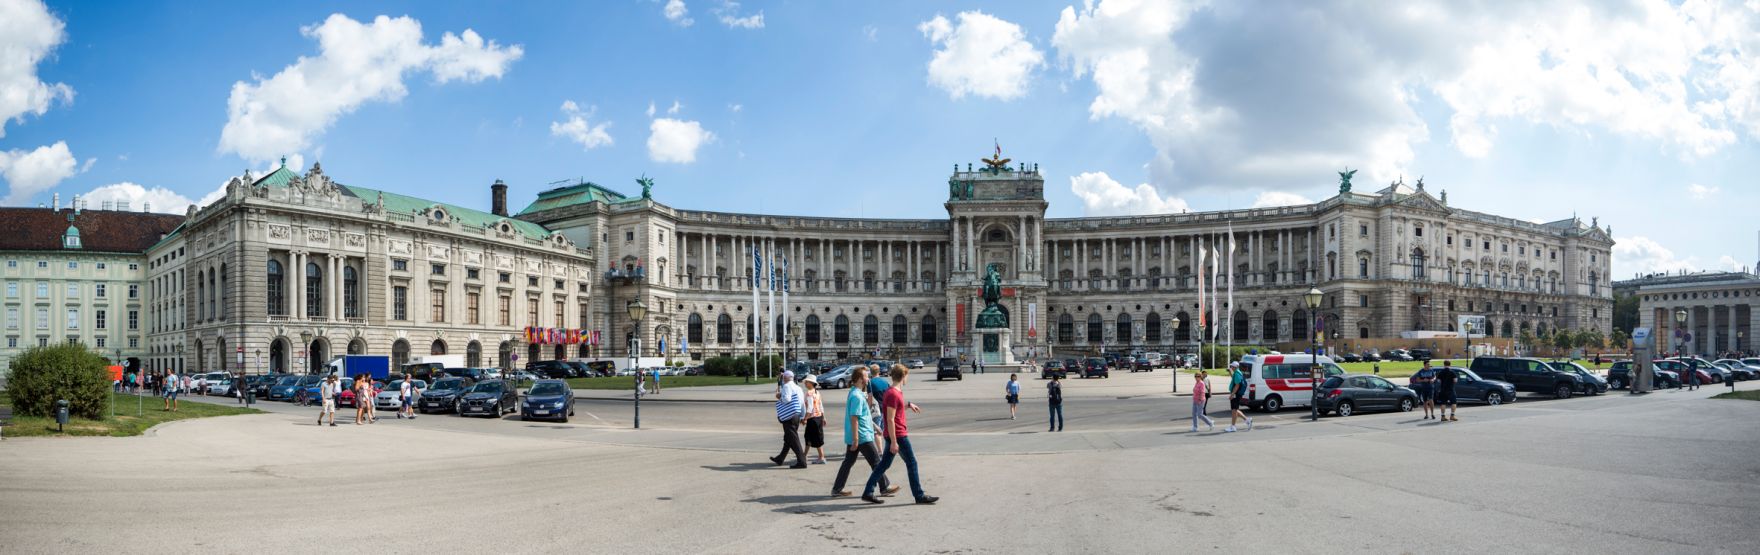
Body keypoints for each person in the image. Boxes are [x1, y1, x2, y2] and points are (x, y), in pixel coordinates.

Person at [862, 365, 936, 505]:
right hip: (898, 435)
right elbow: (890, 419)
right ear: (903, 376)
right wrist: (894, 441)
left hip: (894, 434)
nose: (907, 378)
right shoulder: (893, 393)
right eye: (907, 376)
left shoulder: (894, 392)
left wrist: (908, 405)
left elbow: (896, 407)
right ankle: (919, 495)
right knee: (911, 463)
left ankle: (868, 491)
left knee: (883, 465)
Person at [831, 366, 894, 497]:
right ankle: (884, 487)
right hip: (861, 435)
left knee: (848, 462)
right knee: (876, 461)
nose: (868, 378)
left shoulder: (856, 393)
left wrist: (875, 427)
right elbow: (854, 418)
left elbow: (863, 416)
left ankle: (837, 489)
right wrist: (856, 439)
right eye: (866, 376)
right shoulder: (857, 396)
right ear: (860, 379)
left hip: (859, 434)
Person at [770, 371, 808, 469]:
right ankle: (780, 458)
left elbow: (786, 399)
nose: (782, 379)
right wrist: (803, 417)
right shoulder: (798, 388)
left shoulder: (787, 386)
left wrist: (779, 396)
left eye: (783, 377)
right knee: (788, 439)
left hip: (789, 417)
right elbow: (802, 403)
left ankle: (802, 462)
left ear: (785, 378)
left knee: (794, 440)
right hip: (796, 416)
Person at [803, 374, 828, 465]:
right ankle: (804, 456)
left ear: (811, 383)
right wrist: (823, 417)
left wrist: (805, 418)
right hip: (819, 417)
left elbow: (810, 408)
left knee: (812, 438)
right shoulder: (817, 392)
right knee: (812, 437)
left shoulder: (809, 393)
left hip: (812, 418)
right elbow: (820, 405)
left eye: (807, 382)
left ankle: (821, 457)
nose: (805, 383)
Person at [1226, 362, 1253, 432]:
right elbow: (1235, 380)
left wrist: (1232, 394)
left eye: (1233, 366)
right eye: (1231, 366)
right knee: (1235, 410)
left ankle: (1233, 427)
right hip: (1237, 394)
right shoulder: (1237, 373)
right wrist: (1230, 373)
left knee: (1234, 410)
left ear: (1236, 367)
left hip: (1236, 394)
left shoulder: (1237, 374)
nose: (1231, 367)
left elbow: (1237, 385)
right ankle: (1247, 420)